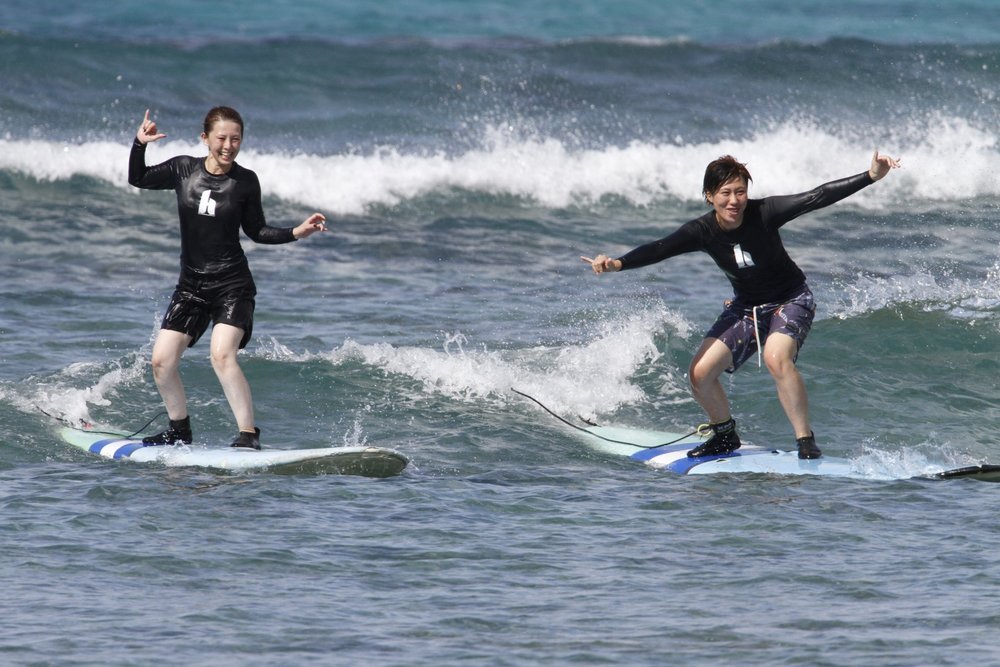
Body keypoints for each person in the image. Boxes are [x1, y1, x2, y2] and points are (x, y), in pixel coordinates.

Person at [582, 151, 900, 459]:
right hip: (746, 307)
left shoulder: (765, 212)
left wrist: (870, 176)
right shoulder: (703, 231)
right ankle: (724, 435)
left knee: (776, 358)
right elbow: (660, 248)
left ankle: (805, 440)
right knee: (700, 374)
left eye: (740, 192)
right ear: (709, 196)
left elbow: (816, 196)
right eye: (725, 193)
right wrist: (618, 263)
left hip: (790, 299)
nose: (734, 201)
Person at [128, 107, 328, 449]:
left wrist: (296, 232)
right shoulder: (182, 168)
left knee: (222, 355)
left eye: (236, 138)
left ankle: (248, 435)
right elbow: (139, 178)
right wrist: (139, 143)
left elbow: (257, 231)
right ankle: (179, 430)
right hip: (191, 287)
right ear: (204, 138)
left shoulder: (245, 181)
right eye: (221, 138)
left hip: (232, 286)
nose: (229, 145)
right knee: (161, 361)